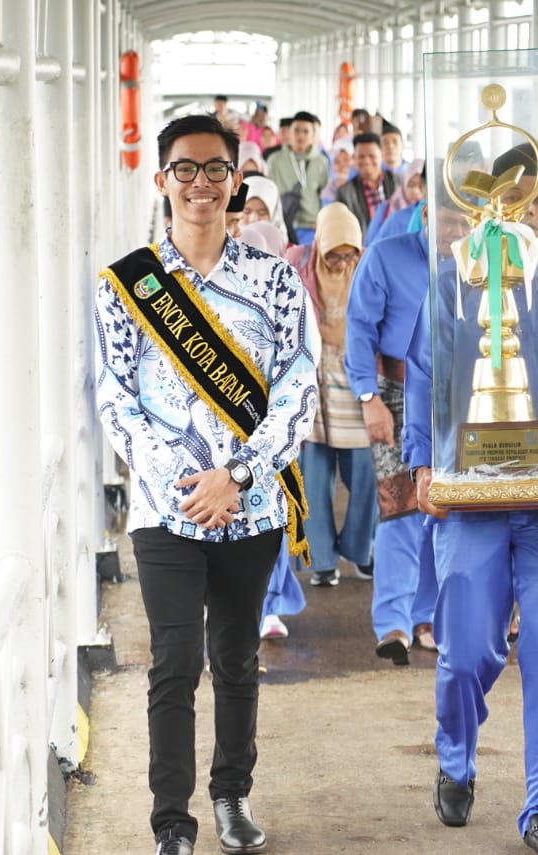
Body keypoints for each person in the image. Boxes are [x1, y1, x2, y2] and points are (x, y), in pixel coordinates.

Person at [93, 113, 318, 855]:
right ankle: (171, 820)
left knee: (235, 657)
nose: (199, 184)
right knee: (174, 659)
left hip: (250, 506)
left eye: (215, 170)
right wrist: (186, 483)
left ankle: (232, 794)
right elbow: (114, 398)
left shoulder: (275, 279)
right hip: (167, 510)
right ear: (161, 181)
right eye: (184, 170)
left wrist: (240, 476)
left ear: (236, 182)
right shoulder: (127, 285)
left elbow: (298, 385)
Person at [403, 141, 538, 855]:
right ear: (487, 205)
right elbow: (426, 379)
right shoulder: (451, 287)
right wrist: (422, 464)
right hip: (468, 493)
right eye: (514, 197)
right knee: (466, 648)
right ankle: (456, 752)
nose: (529, 211)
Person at [344, 188, 471, 664]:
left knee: (445, 504)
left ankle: (428, 617)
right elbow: (358, 329)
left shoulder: (475, 263)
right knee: (399, 507)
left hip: (457, 394)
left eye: (465, 225)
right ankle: (392, 622)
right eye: (448, 223)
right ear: (424, 214)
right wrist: (368, 398)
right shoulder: (385, 256)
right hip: (394, 391)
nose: (457, 234)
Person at [285, 203, 378, 589]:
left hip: (358, 377)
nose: (341, 264)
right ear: (320, 246)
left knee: (368, 472)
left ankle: (362, 549)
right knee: (312, 474)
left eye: (348, 255)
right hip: (313, 380)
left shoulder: (371, 269)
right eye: (333, 255)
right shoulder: (297, 267)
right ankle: (321, 558)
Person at [265, 110, 330, 245]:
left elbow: (325, 194)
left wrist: (322, 221)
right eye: (296, 131)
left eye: (306, 131)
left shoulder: (320, 161)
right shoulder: (275, 160)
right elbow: (269, 193)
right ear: (289, 133)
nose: (300, 135)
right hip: (283, 224)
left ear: (313, 135)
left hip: (311, 225)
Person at [334, 132, 396, 238]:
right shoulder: (345, 193)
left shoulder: (398, 182)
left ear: (381, 155)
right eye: (361, 156)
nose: (366, 161)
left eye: (372, 156)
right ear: (354, 158)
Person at [368, 158, 425, 242]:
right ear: (403, 184)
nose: (416, 191)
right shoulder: (387, 209)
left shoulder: (430, 213)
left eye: (421, 185)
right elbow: (371, 244)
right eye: (411, 184)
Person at [240, 174, 287, 241]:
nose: (253, 220)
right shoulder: (223, 248)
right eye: (246, 212)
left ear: (274, 215)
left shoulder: (287, 250)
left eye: (262, 213)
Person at [319, 137, 354, 206]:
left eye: (346, 160)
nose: (342, 165)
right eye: (337, 161)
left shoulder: (362, 188)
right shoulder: (327, 193)